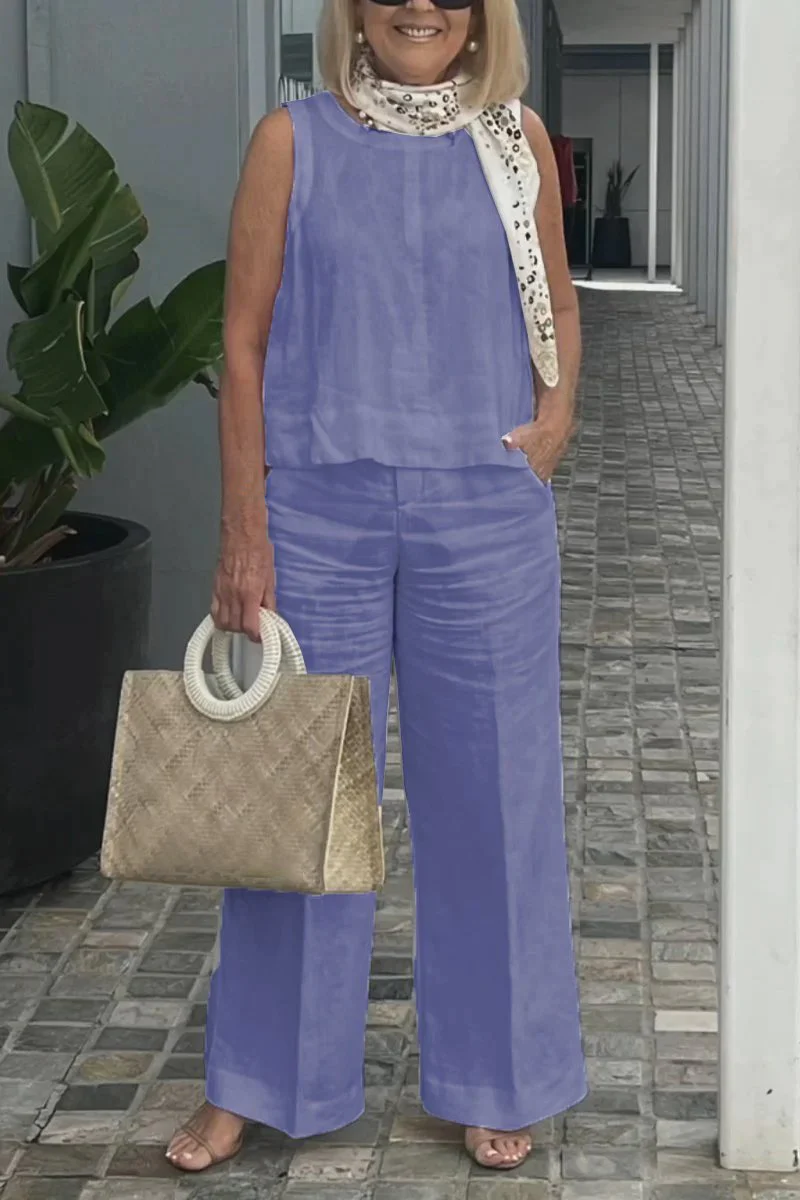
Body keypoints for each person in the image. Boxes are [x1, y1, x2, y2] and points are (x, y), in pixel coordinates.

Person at [167, 0, 586, 1175]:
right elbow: (241, 343)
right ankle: (259, 1079)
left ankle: (497, 1075)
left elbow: (555, 302)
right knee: (298, 806)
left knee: (495, 801)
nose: (420, 6)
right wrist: (243, 529)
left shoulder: (513, 140)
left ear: (479, 15)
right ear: (351, 9)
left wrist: (554, 419)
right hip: (317, 514)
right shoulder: (289, 141)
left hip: (483, 513)